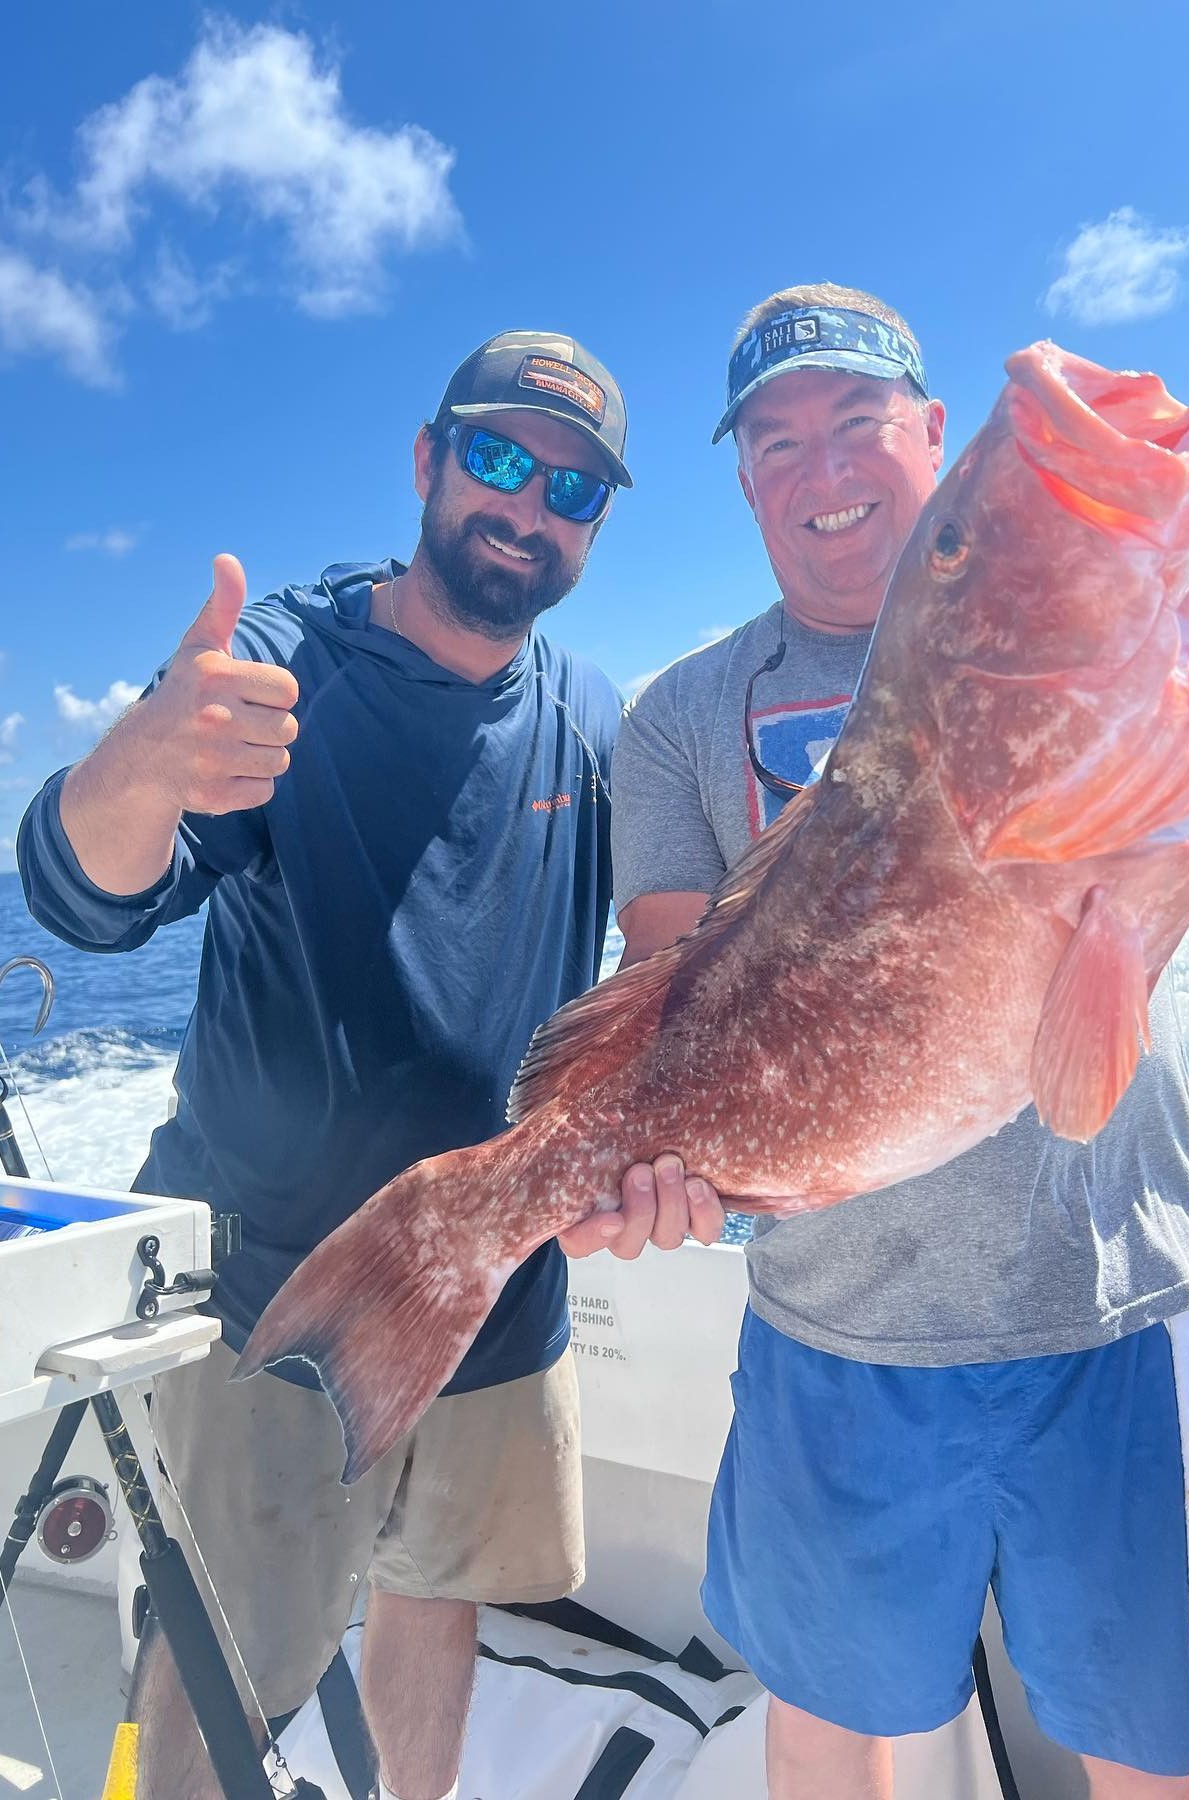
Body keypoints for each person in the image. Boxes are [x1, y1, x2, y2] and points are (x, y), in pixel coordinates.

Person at [602, 283, 1189, 1800]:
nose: (822, 468)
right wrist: (660, 1171)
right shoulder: (678, 717)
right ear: (740, 478)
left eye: (858, 420)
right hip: (829, 1339)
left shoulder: (1131, 628)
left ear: (931, 435)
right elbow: (667, 1012)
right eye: (775, 439)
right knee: (824, 1730)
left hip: (1111, 1307)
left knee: (1149, 1749)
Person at [18, 328, 704, 1800]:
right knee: (216, 1665)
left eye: (574, 489)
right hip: (280, 1294)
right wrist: (139, 760)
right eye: (502, 459)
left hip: (499, 1289)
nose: (529, 505)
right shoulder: (277, 662)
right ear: (427, 460)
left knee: (435, 1599)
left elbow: (666, 975)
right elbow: (86, 894)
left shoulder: (593, 717)